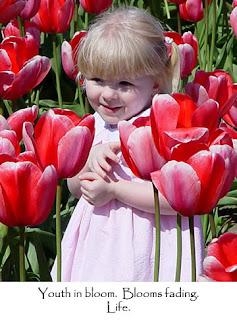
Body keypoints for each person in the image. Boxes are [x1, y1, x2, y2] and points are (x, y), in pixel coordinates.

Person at [51, 6, 204, 281]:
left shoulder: (167, 125)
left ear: (156, 82)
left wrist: (115, 190)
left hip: (152, 244)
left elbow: (178, 201)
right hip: (99, 245)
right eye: (97, 80)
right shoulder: (92, 126)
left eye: (124, 83)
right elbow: (73, 188)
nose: (108, 94)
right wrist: (87, 162)